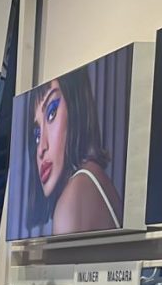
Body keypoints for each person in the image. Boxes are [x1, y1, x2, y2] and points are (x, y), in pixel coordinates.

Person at [28, 68, 123, 236]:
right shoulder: (91, 179)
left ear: (76, 108)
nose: (41, 147)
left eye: (51, 113)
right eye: (37, 133)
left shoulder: (74, 195)